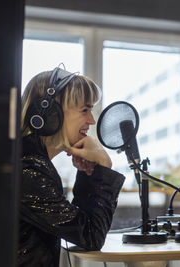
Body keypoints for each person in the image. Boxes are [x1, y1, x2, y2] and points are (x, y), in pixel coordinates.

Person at [18, 67, 125, 266]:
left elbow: (79, 226)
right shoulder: (30, 170)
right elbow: (92, 237)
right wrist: (104, 165)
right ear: (51, 113)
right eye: (85, 110)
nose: (91, 120)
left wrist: (88, 173)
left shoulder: (31, 162)